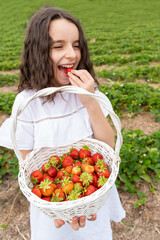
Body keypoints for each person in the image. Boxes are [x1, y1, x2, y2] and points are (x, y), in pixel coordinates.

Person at [0, 5, 125, 240]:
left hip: (92, 198)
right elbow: (29, 167)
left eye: (76, 45)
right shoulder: (28, 102)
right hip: (52, 206)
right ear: (38, 52)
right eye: (59, 46)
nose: (72, 54)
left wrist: (89, 100)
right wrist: (58, 207)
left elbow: (107, 145)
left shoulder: (88, 92)